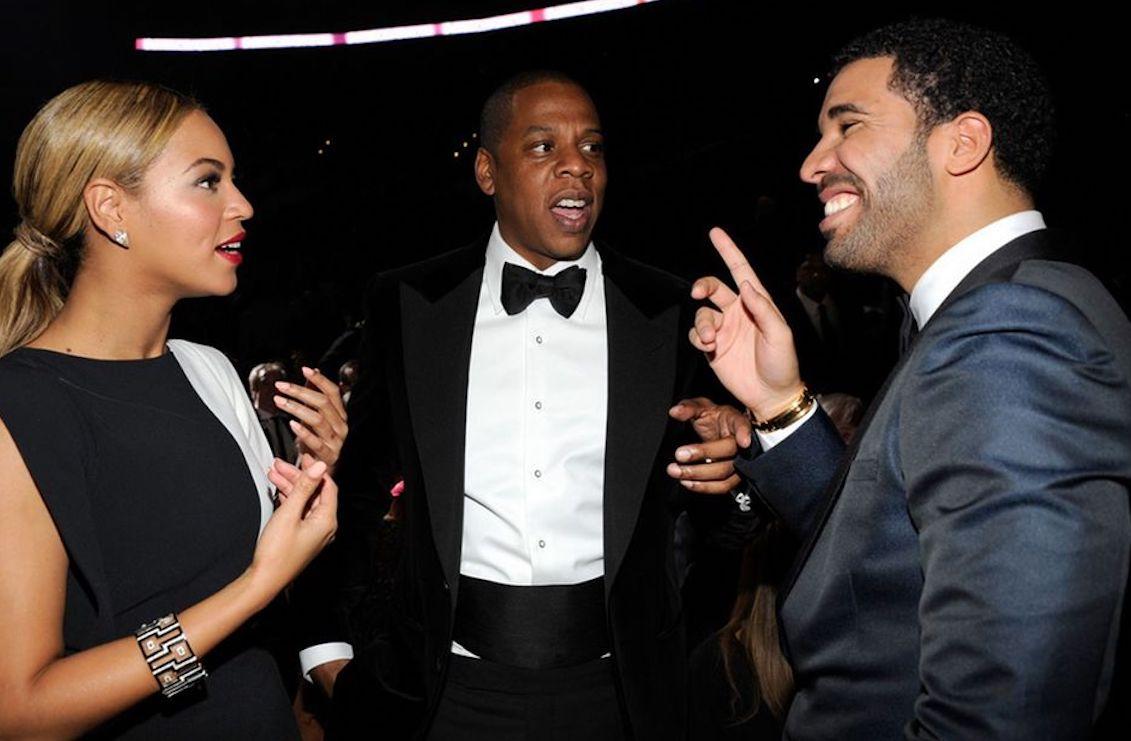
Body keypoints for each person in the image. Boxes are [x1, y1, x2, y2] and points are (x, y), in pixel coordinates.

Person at [690, 18, 1131, 739]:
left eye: (846, 126)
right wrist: (777, 402)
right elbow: (885, 562)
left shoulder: (1010, 332)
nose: (810, 163)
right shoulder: (1003, 307)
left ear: (961, 142)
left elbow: (1004, 714)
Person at [293, 70, 749, 740]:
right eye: (542, 147)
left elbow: (717, 518)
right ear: (486, 171)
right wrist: (324, 650)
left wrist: (737, 468)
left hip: (624, 696)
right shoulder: (408, 302)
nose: (577, 166)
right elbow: (352, 488)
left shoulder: (667, 308)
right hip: (440, 693)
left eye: (592, 148)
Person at [0, 80, 345, 739]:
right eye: (208, 181)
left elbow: (237, 595)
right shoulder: (21, 407)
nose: (242, 205)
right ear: (110, 208)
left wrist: (306, 480)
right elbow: (22, 713)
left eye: (233, 180)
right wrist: (255, 586)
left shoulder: (207, 370)